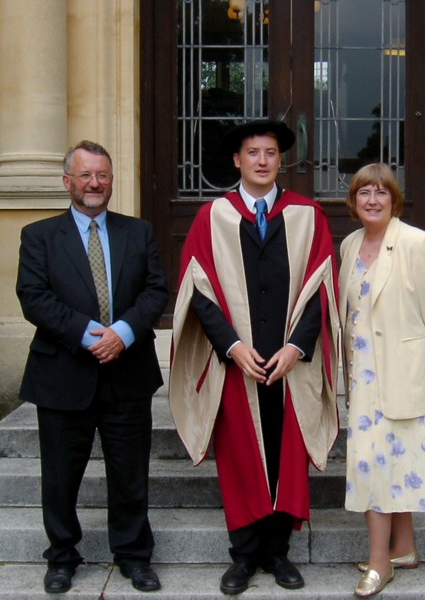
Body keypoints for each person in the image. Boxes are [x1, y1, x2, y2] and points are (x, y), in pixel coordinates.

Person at [169, 119, 340, 595]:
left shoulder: (308, 215)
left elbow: (321, 288)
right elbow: (197, 290)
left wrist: (297, 347)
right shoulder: (214, 217)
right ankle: (242, 556)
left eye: (270, 152)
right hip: (236, 362)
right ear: (237, 160)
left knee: (288, 455)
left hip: (289, 363)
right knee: (241, 456)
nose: (262, 160)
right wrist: (231, 346)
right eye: (253, 152)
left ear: (281, 160)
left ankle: (277, 553)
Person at [16, 140, 168, 594]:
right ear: (68, 182)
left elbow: (156, 291)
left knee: (130, 473)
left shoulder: (137, 231)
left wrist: (122, 332)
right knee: (61, 476)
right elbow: (34, 297)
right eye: (85, 175)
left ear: (112, 180)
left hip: (129, 371)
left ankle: (134, 555)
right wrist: (89, 335)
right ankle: (62, 556)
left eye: (102, 175)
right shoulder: (39, 235)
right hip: (63, 373)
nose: (94, 183)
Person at [339, 163, 425, 597]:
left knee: (376, 468)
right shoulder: (350, 245)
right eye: (363, 192)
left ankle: (378, 564)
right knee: (390, 464)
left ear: (395, 199)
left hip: (403, 374)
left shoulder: (416, 243)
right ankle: (403, 548)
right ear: (353, 202)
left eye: (381, 192)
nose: (372, 200)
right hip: (364, 379)